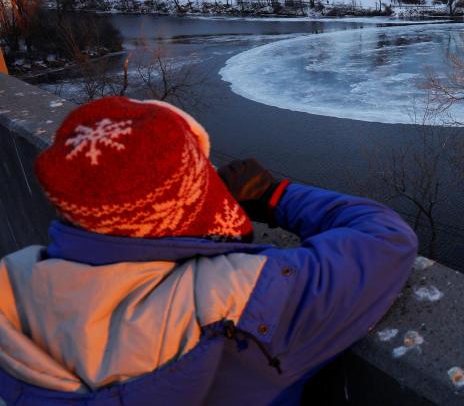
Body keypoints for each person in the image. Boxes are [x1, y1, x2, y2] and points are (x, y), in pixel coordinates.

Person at [0, 97, 418, 405]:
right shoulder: (236, 295)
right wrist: (274, 195)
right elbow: (387, 238)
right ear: (190, 197)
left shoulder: (13, 289)